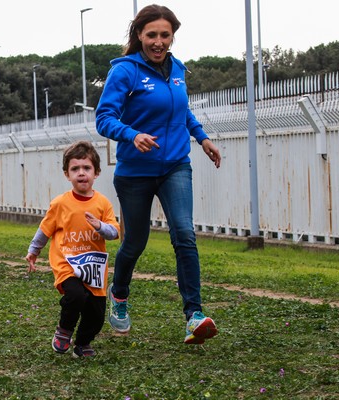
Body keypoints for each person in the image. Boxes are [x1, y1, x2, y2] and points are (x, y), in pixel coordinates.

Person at [95, 5, 222, 345]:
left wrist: (203, 138)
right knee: (135, 242)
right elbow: (103, 118)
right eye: (152, 34)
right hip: (135, 172)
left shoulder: (178, 69)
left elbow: (182, 111)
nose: (158, 41)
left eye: (165, 35)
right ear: (139, 35)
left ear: (172, 37)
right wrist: (131, 134)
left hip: (175, 165)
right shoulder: (125, 72)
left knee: (184, 233)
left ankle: (193, 315)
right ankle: (118, 295)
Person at [25, 141, 120, 358]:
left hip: (93, 268)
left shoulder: (103, 203)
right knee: (76, 295)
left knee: (96, 312)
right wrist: (34, 250)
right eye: (75, 169)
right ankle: (64, 330)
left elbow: (114, 232)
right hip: (67, 263)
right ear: (67, 174)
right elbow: (44, 229)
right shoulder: (60, 203)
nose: (81, 173)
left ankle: (83, 343)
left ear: (96, 172)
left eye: (86, 168)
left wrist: (100, 226)